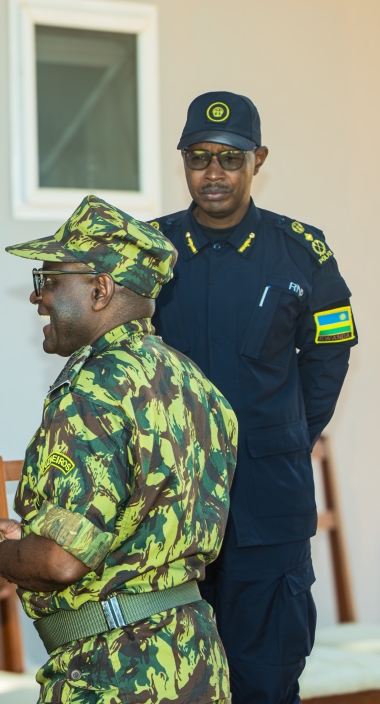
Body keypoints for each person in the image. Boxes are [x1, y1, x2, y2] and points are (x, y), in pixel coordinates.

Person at [0, 196, 237, 702]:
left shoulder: (92, 390)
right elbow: (135, 528)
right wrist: (34, 534)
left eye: (50, 280)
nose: (39, 297)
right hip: (195, 665)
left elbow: (61, 562)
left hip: (112, 673)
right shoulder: (198, 387)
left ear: (100, 290)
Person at [149, 91, 356, 703]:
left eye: (230, 158)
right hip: (171, 505)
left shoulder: (301, 251)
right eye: (199, 157)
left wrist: (283, 436)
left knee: (266, 678)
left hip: (266, 506)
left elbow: (330, 354)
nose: (213, 172)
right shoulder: (150, 252)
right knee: (173, 681)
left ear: (257, 160)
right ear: (184, 161)